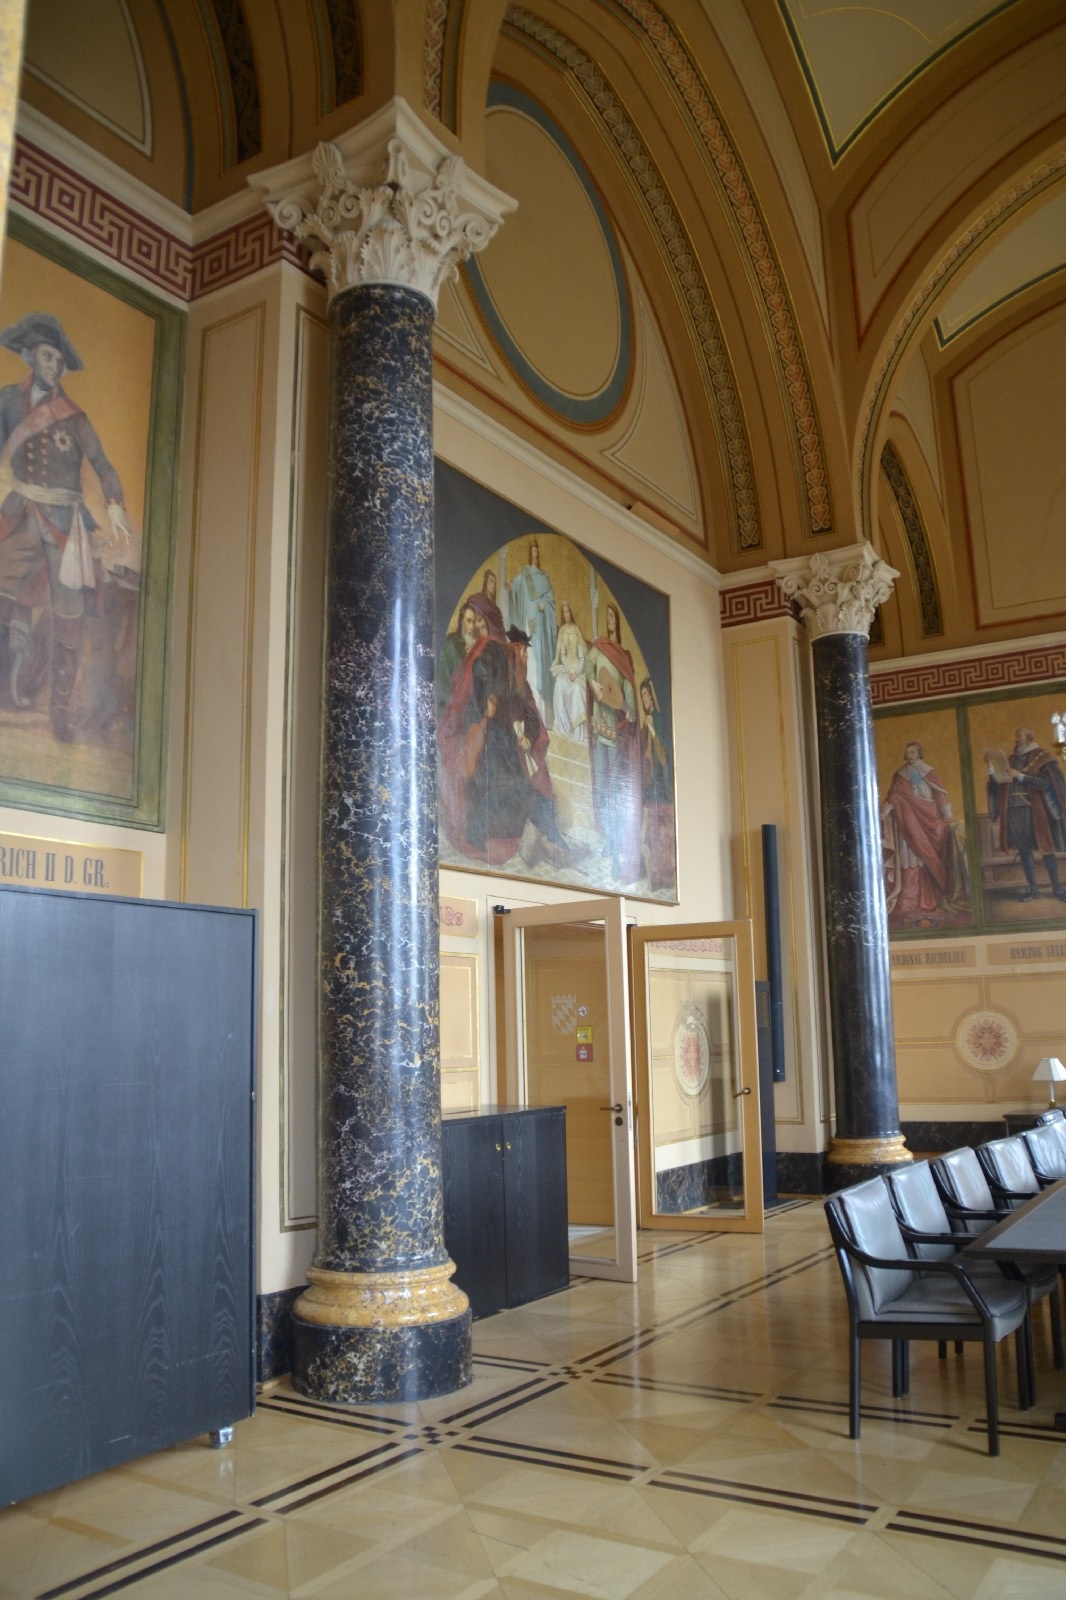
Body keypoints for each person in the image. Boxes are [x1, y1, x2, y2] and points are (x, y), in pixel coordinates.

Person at [0, 312, 131, 741]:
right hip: (20, 512)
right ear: (30, 356)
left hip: (64, 526)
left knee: (68, 614)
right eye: (47, 356)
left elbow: (103, 466)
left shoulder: (75, 418)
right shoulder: (7, 401)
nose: (54, 365)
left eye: (59, 360)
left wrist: (114, 508)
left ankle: (59, 712)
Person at [881, 740, 969, 927]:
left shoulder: (929, 771)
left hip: (928, 818)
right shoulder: (900, 774)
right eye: (908, 752)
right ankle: (910, 899)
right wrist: (886, 810)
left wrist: (947, 815)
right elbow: (893, 795)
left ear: (919, 753)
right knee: (911, 856)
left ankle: (930, 897)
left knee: (928, 855)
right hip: (907, 821)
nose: (909, 755)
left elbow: (939, 795)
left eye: (913, 752)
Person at [585, 602, 641, 882]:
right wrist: (593, 683)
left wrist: (629, 708)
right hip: (599, 728)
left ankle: (617, 840)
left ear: (616, 620)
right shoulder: (598, 648)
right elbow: (588, 664)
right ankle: (609, 837)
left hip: (615, 734)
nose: (608, 619)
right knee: (601, 783)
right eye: (605, 615)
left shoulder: (623, 656)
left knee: (614, 787)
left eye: (611, 615)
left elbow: (628, 688)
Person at [987, 727, 1066, 902]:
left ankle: (1058, 889)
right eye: (1016, 735)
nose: (1016, 739)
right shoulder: (1010, 759)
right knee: (1024, 850)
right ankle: (1033, 889)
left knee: (1046, 849)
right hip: (1014, 810)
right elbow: (1000, 784)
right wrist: (991, 768)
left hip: (1035, 811)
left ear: (1029, 738)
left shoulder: (1043, 757)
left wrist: (1021, 776)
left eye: (1019, 735)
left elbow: (1045, 783)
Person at [507, 537, 556, 726]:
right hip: (529, 624)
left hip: (541, 629)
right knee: (530, 663)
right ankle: (529, 710)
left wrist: (545, 605)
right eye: (534, 551)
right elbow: (515, 588)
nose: (536, 554)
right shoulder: (525, 574)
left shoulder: (544, 578)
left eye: (537, 551)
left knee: (541, 664)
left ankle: (542, 713)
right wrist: (510, 589)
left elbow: (551, 603)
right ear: (530, 553)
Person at [639, 676, 675, 891]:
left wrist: (652, 729)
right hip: (650, 780)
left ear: (651, 696)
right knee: (649, 825)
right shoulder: (647, 720)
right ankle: (652, 872)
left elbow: (663, 755)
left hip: (660, 782)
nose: (644, 698)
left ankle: (663, 873)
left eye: (646, 694)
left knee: (661, 827)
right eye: (641, 695)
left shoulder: (658, 719)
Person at [549, 599, 587, 736]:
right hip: (567, 670)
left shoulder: (576, 630)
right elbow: (562, 655)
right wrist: (567, 670)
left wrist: (576, 673)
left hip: (578, 672)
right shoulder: (562, 631)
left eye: (568, 611)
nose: (566, 614)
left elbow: (582, 658)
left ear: (571, 613)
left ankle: (577, 730)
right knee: (559, 682)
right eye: (564, 612)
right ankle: (563, 727)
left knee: (576, 689)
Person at [436, 601, 478, 718]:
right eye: (468, 621)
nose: (472, 627)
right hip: (452, 706)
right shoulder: (450, 643)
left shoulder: (475, 646)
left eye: (473, 622)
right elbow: (444, 680)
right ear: (461, 621)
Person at [464, 567, 506, 642]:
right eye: (491, 581)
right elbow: (470, 608)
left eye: (495, 583)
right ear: (486, 582)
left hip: (498, 643)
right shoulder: (478, 599)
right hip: (484, 640)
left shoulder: (496, 609)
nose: (493, 585)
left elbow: (500, 630)